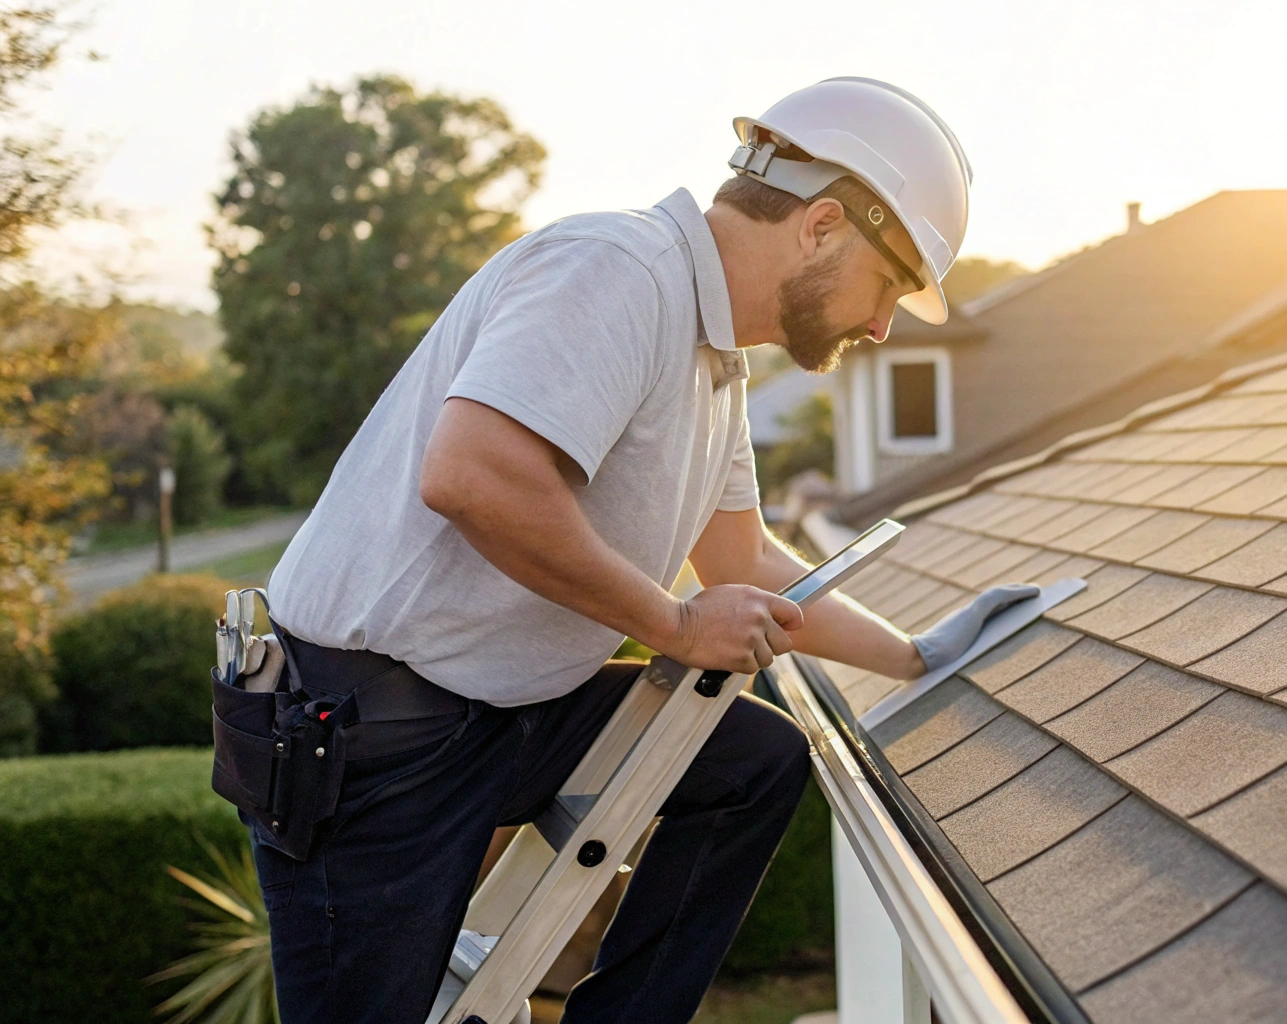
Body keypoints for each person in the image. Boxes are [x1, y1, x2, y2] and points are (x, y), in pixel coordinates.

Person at [252, 78, 1033, 1024]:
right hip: (373, 733)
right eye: (889, 288)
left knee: (753, 762)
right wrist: (672, 623)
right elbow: (474, 477)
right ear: (823, 226)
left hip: (495, 714)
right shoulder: (617, 272)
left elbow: (744, 564)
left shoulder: (717, 364)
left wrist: (920, 655)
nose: (880, 326)